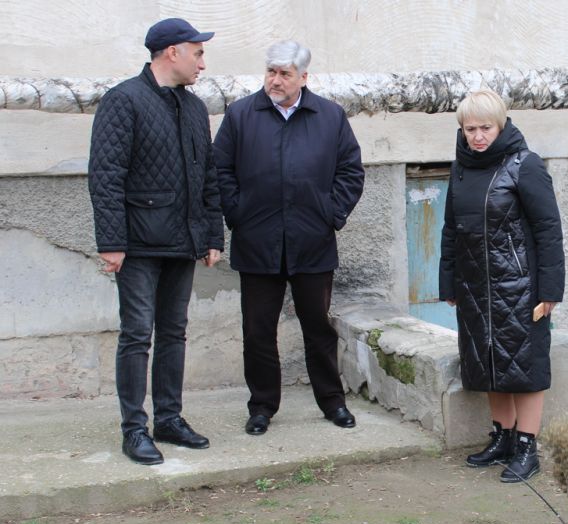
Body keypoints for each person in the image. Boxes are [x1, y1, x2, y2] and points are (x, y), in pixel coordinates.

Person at [88, 18, 223, 465]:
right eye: (197, 52)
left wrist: (210, 235)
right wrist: (111, 241)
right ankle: (134, 429)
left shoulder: (195, 108)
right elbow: (106, 177)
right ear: (172, 53)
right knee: (135, 336)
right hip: (139, 244)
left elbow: (208, 177)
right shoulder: (123, 101)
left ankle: (169, 418)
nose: (202, 61)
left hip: (182, 241)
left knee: (174, 334)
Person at [213, 40, 365, 436]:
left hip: (312, 243)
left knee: (318, 328)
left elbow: (351, 171)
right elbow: (220, 170)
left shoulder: (330, 116)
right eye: (271, 72)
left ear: (303, 77)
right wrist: (238, 213)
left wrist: (331, 215)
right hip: (256, 243)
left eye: (284, 73)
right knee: (258, 331)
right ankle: (262, 406)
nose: (275, 80)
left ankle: (332, 402)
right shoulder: (241, 115)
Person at [439, 89, 565, 482]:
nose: (477, 136)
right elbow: (450, 230)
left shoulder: (525, 165)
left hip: (519, 286)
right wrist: (448, 281)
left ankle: (528, 446)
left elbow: (548, 229)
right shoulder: (459, 168)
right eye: (470, 128)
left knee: (524, 365)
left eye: (485, 128)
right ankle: (503, 437)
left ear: (502, 124)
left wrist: (549, 291)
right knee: (489, 362)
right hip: (475, 286)